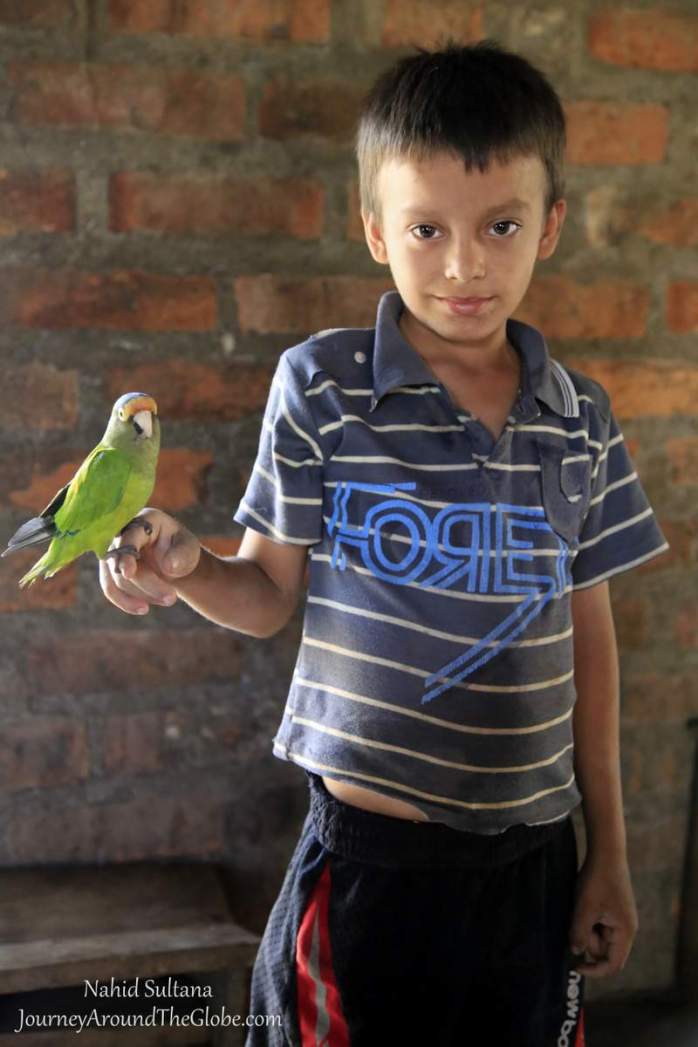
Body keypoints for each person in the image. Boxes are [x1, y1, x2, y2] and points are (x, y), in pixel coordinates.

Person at [99, 38, 671, 1047]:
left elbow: (590, 638)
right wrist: (188, 571)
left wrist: (607, 853)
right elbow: (268, 593)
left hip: (534, 867)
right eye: (425, 228)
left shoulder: (579, 416)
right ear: (374, 231)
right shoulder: (322, 388)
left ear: (550, 227)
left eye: (499, 224)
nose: (462, 264)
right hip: (372, 870)